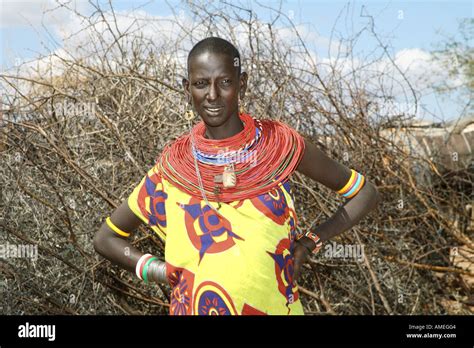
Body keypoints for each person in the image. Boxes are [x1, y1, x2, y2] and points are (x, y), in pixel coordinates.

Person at [93, 37, 381, 315]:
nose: (213, 95)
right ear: (187, 88)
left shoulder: (279, 146)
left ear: (242, 84)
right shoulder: (173, 169)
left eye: (225, 82)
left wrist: (310, 242)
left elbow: (365, 193)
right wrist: (158, 269)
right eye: (201, 84)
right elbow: (106, 239)